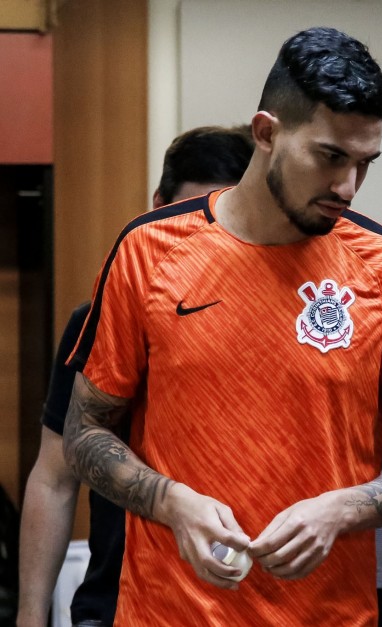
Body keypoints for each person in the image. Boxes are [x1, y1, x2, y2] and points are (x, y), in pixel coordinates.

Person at [62, 26, 382, 626]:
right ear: (267, 133)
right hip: (168, 613)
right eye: (330, 157)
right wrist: (172, 503)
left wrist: (343, 508)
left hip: (328, 614)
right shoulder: (148, 252)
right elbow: (84, 432)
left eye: (364, 163)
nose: (348, 187)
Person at [17, 124, 255, 627]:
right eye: (188, 213)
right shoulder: (97, 320)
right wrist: (31, 615)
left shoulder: (264, 323)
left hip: (243, 599)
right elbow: (55, 478)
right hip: (118, 601)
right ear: (157, 205)